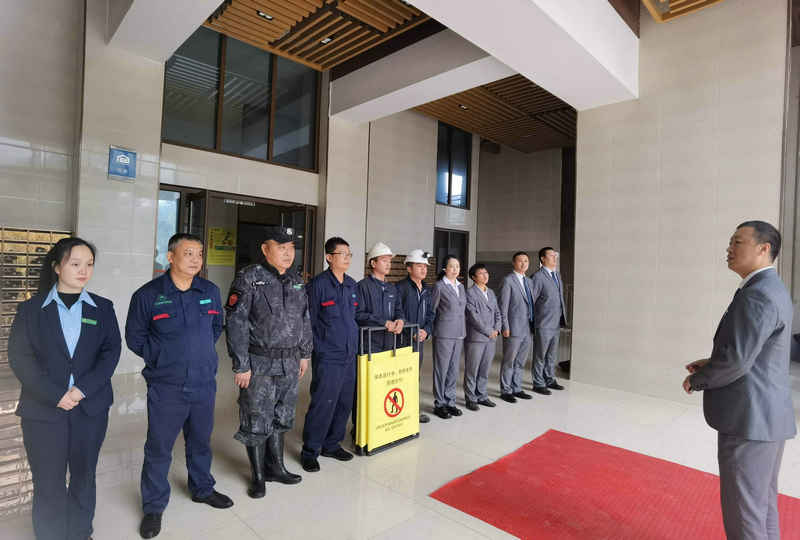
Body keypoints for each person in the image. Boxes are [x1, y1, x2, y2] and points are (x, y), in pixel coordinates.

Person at [683, 221, 796, 540]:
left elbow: (737, 361)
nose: (729, 248)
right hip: (767, 417)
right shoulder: (772, 288)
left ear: (764, 249)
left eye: (737, 242)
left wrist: (699, 379)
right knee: (762, 507)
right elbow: (759, 352)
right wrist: (712, 361)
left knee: (744, 514)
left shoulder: (757, 295)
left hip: (749, 420)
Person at [8, 237, 121, 540]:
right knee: (48, 480)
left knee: (84, 476)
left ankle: (81, 532)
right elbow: (20, 357)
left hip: (89, 409)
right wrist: (55, 394)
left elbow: (111, 353)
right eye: (75, 264)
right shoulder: (31, 310)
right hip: (43, 411)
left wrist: (81, 390)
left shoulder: (102, 308)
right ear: (57, 267)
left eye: (89, 264)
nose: (84, 271)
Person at [126, 233, 232, 539]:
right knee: (159, 447)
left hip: (203, 382)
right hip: (167, 385)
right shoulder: (148, 295)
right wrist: (164, 357)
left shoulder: (209, 291)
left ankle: (202, 488)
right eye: (188, 253)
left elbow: (216, 327)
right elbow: (134, 337)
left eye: (199, 253)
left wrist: (197, 354)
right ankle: (153, 506)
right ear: (170, 257)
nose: (196, 259)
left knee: (200, 440)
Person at [225, 227, 312, 499]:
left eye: (291, 248)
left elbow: (305, 318)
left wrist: (305, 353)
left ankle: (277, 468)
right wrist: (241, 364)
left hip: (289, 362)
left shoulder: (296, 280)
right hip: (259, 363)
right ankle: (258, 476)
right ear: (265, 249)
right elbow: (236, 322)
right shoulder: (249, 277)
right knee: (256, 417)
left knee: (281, 416)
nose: (288, 253)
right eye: (281, 247)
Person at [301, 237, 359, 473]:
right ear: (329, 257)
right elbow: (308, 322)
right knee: (323, 403)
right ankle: (310, 450)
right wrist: (310, 352)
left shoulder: (351, 285)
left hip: (349, 354)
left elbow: (354, 319)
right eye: (342, 254)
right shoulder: (318, 285)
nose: (347, 258)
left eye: (349, 254)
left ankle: (332, 444)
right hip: (328, 355)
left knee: (344, 403)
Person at [354, 242, 405, 434]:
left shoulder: (392, 288)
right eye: (384, 260)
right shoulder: (362, 287)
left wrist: (400, 320)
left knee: (385, 386)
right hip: (370, 345)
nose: (388, 264)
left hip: (389, 345)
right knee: (366, 388)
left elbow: (399, 310)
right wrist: (384, 322)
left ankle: (381, 428)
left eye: (389, 261)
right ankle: (360, 429)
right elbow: (358, 314)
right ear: (373, 263)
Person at [396, 249, 436, 423]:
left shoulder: (427, 289)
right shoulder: (400, 288)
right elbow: (398, 313)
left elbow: (431, 315)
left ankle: (413, 411)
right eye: (419, 266)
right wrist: (412, 331)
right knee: (400, 376)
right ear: (409, 268)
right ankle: (399, 413)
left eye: (425, 267)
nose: (423, 269)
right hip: (402, 340)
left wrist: (426, 331)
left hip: (419, 340)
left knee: (414, 376)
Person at [431, 255, 467, 419]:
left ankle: (450, 401)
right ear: (445, 268)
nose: (455, 269)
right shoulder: (439, 286)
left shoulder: (461, 287)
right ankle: (439, 403)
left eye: (457, 266)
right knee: (442, 369)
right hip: (444, 334)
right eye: (451, 266)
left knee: (453, 369)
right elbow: (432, 310)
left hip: (459, 333)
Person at [529, 247, 567, 395]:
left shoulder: (557, 274)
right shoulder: (537, 277)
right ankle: (538, 383)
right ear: (543, 259)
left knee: (552, 354)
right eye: (551, 255)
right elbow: (531, 301)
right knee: (540, 354)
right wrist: (532, 322)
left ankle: (549, 379)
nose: (555, 257)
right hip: (543, 322)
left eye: (555, 255)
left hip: (556, 322)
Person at [464, 263, 501, 411]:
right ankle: (471, 398)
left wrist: (497, 329)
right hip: (476, 337)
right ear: (473, 277)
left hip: (491, 337)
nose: (485, 276)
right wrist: (488, 331)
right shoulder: (469, 293)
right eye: (481, 273)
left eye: (486, 273)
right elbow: (473, 316)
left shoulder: (490, 292)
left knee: (485, 368)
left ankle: (482, 395)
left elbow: (498, 313)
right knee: (472, 368)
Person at [498, 252, 534, 403]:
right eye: (520, 261)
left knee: (521, 361)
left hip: (528, 328)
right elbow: (503, 307)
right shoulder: (508, 281)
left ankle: (517, 388)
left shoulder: (529, 281)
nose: (523, 264)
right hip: (513, 328)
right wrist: (505, 326)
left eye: (526, 261)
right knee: (509, 360)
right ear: (514, 263)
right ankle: (506, 390)